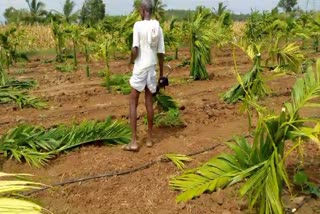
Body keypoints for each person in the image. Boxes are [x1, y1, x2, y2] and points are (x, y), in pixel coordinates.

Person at [122, 0, 165, 152]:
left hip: (140, 68)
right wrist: (161, 73)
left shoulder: (138, 26)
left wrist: (130, 61)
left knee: (133, 101)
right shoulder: (157, 27)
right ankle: (149, 138)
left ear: (142, 10)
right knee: (148, 101)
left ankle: (133, 141)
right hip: (152, 68)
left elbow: (135, 50)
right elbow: (161, 53)